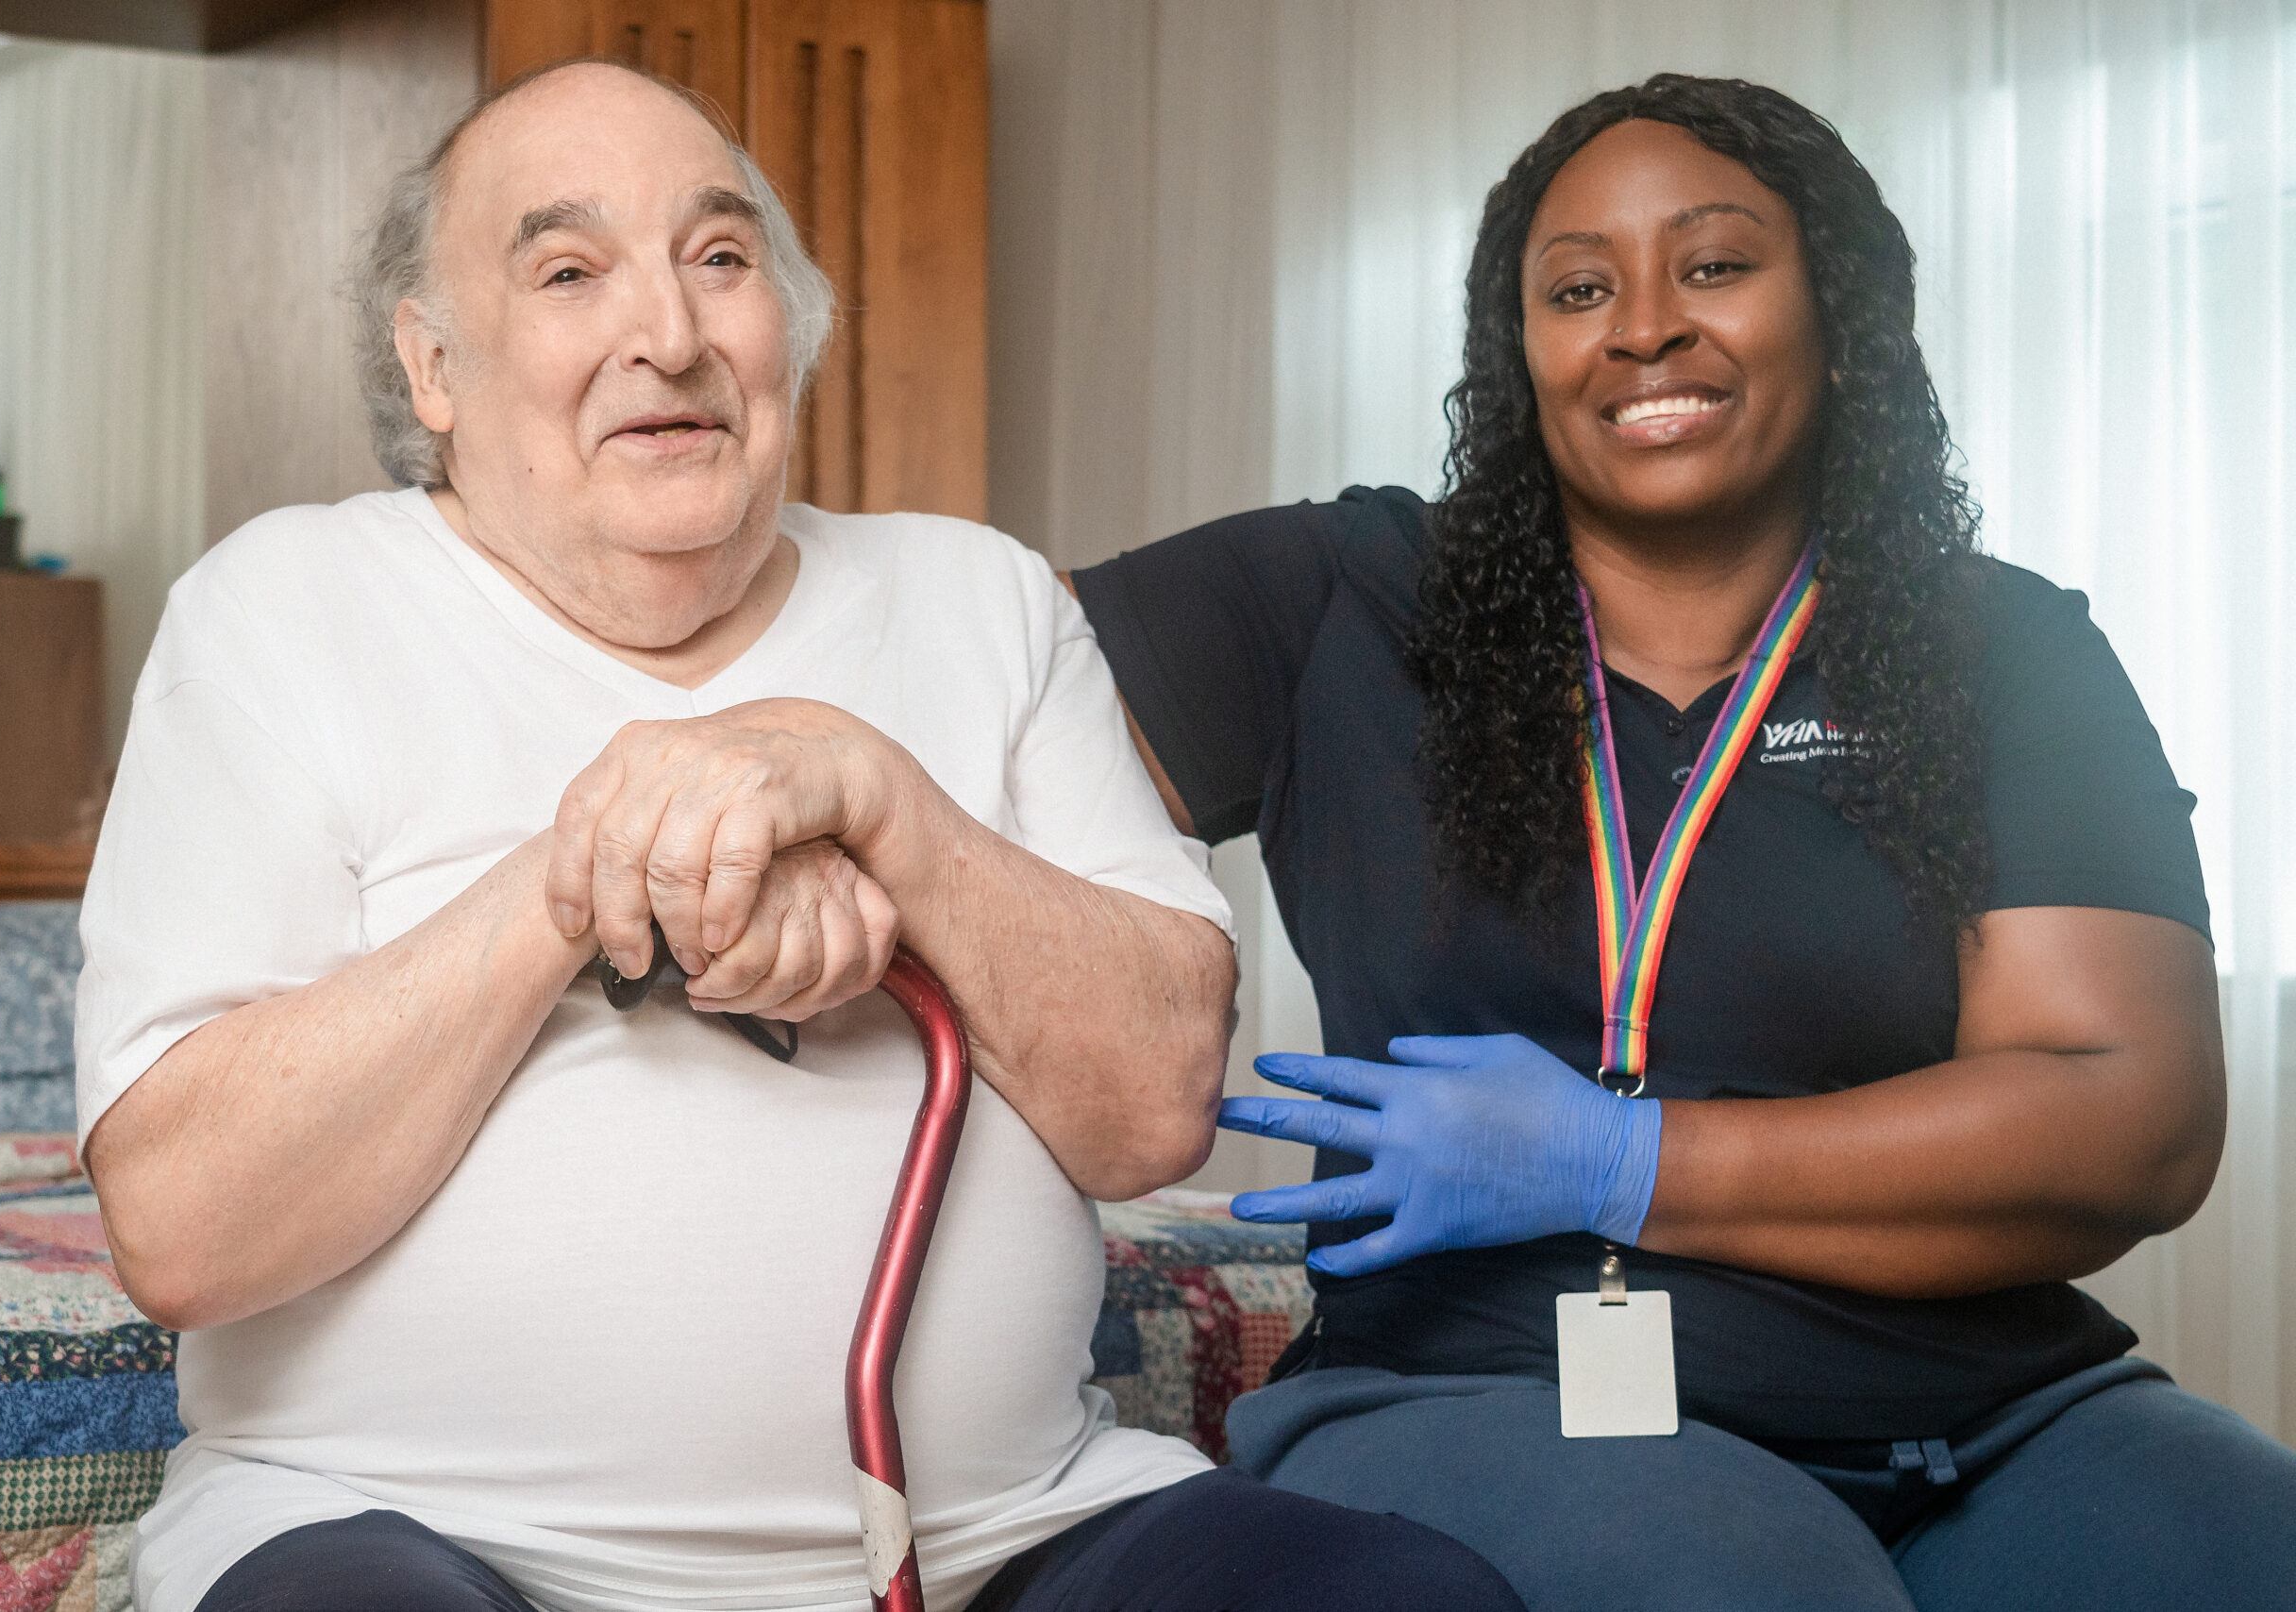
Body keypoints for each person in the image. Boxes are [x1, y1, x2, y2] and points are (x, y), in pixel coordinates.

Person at [76, 59, 1521, 1612]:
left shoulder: (984, 601)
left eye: (722, 259)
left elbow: (1157, 1108)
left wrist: (884, 805)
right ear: (432, 366)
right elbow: (180, 1226)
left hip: (1009, 1533)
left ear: (793, 325)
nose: (673, 336)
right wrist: (585, 872)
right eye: (570, 272)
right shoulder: (282, 611)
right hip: (401, 1531)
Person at [1069, 73, 2296, 1612]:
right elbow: (963, 695)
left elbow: (2135, 1116)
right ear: (1521, 359)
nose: (1644, 325)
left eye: (1714, 265)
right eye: (1579, 288)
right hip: (1478, 1392)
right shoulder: (1349, 595)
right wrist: (779, 766)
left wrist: (1623, 1159)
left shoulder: (2005, 652)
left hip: (1995, 1415)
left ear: (1839, 312)